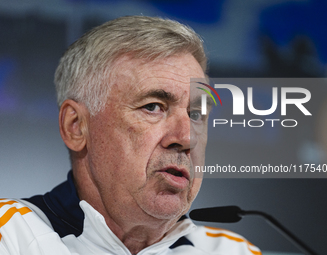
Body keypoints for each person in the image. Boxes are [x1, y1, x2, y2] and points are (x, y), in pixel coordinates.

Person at [0, 16, 261, 255]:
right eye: (152, 107)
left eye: (196, 115)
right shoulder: (12, 236)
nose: (186, 138)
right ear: (76, 126)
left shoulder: (233, 251)